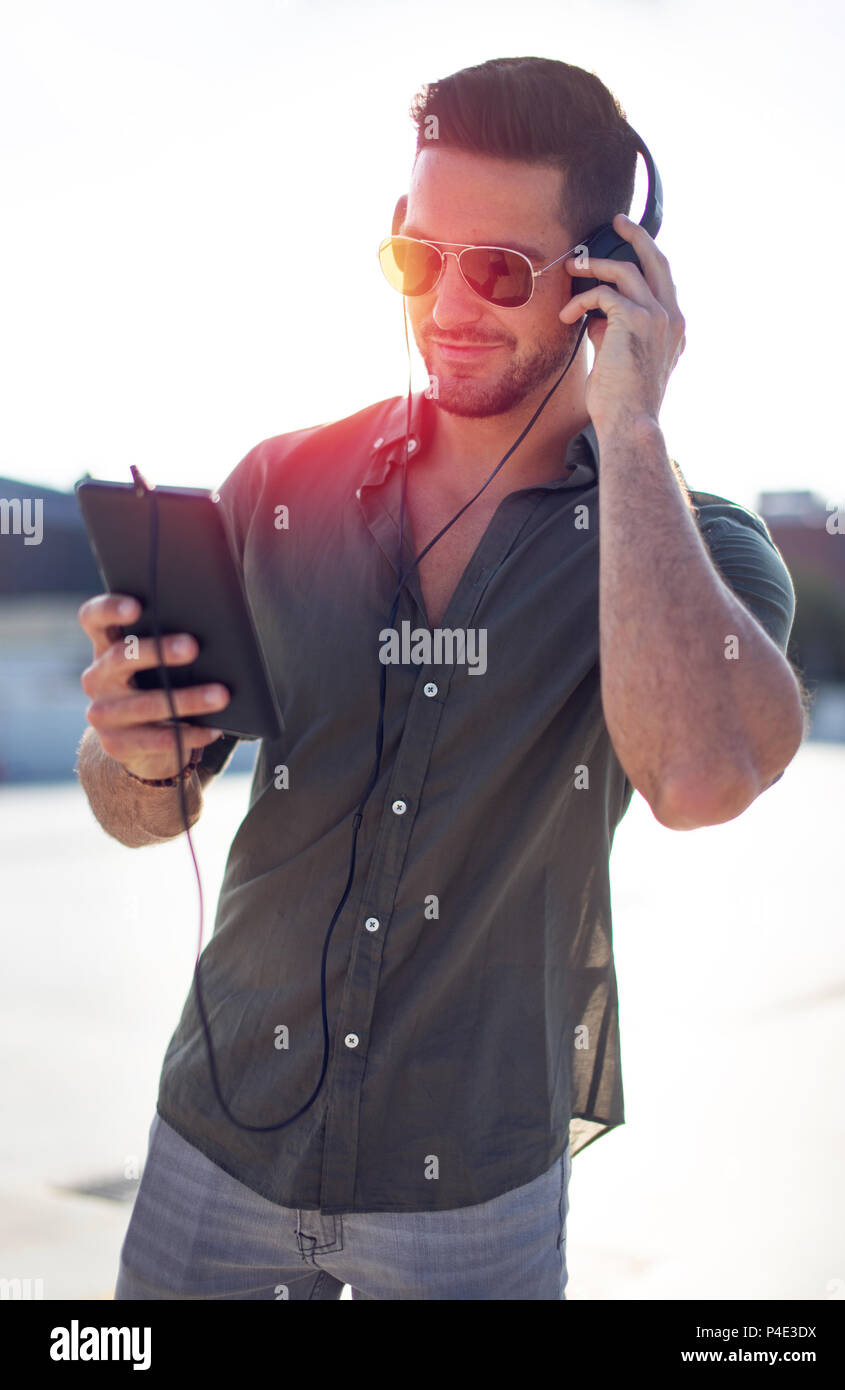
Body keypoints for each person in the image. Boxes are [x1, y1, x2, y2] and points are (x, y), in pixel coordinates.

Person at [76, 56, 805, 1301]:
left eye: (500, 270)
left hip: (471, 1201)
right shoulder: (273, 488)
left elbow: (697, 776)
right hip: (216, 1145)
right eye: (418, 257)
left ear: (603, 280)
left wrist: (629, 428)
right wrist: (132, 756)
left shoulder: (701, 552)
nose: (447, 305)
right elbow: (143, 808)